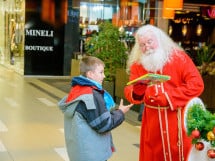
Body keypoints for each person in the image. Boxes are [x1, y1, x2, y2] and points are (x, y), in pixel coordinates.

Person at [124, 24, 204, 161]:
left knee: (180, 153)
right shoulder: (138, 65)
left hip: (177, 118)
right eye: (142, 45)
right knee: (154, 154)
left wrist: (169, 96)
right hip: (152, 122)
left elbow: (196, 84)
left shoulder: (179, 58)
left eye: (149, 42)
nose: (146, 47)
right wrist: (137, 91)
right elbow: (130, 90)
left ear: (159, 39)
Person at [58, 56, 133, 161]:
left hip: (81, 152)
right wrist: (120, 112)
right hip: (92, 155)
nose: (104, 76)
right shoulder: (91, 95)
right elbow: (104, 124)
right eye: (101, 72)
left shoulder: (78, 89)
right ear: (90, 74)